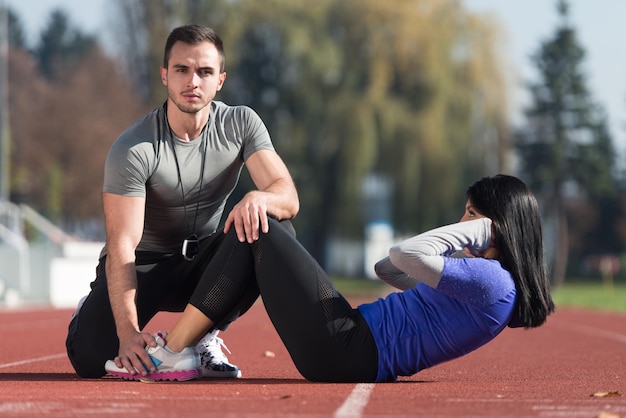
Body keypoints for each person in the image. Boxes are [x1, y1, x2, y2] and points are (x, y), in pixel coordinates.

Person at [101, 174, 555, 383]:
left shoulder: (493, 282)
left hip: (349, 348)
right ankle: (193, 345)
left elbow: (404, 253)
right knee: (260, 228)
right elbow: (389, 269)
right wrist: (465, 236)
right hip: (351, 346)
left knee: (258, 224)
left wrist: (474, 232)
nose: (460, 222)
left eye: (471, 217)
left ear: (497, 227)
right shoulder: (489, 285)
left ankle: (175, 352)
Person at [65, 24, 299, 380]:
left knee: (271, 225)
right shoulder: (134, 148)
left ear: (220, 80)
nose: (193, 81)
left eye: (204, 71)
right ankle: (93, 312)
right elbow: (122, 246)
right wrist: (126, 334)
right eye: (182, 70)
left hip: (206, 263)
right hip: (146, 265)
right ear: (165, 75)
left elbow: (287, 195)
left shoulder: (241, 124)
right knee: (90, 358)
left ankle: (199, 338)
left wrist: (259, 196)